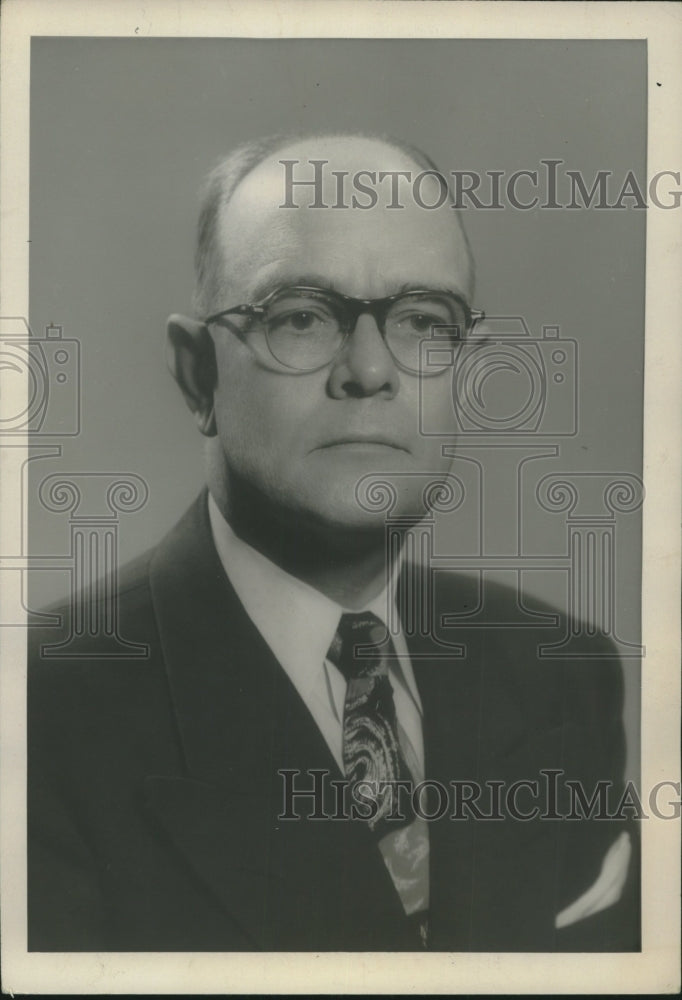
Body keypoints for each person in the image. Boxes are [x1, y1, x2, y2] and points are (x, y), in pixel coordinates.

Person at [28, 132, 639, 952]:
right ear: (196, 373)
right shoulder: (39, 713)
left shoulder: (562, 670)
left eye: (424, 319)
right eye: (302, 317)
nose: (370, 369)